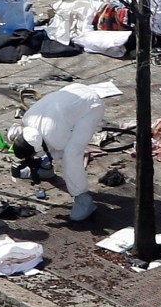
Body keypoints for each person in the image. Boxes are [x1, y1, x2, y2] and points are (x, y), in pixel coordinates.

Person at [7, 83, 104, 222]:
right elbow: (44, 146)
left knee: (72, 154)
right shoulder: (28, 118)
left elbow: (61, 152)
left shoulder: (55, 136)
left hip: (92, 105)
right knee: (51, 146)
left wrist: (40, 159)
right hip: (74, 90)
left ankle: (83, 198)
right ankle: (44, 169)